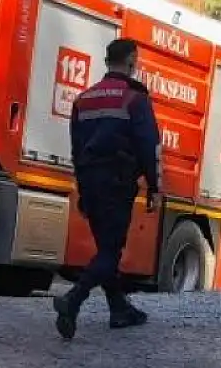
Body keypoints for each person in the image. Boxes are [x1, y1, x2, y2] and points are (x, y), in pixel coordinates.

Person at [53, 38, 162, 339]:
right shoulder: (135, 100)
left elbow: (76, 150)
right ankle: (72, 300)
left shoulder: (84, 99)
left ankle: (119, 309)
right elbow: (149, 146)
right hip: (117, 183)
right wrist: (154, 186)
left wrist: (82, 189)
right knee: (111, 253)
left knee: (105, 248)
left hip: (90, 181)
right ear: (131, 61)